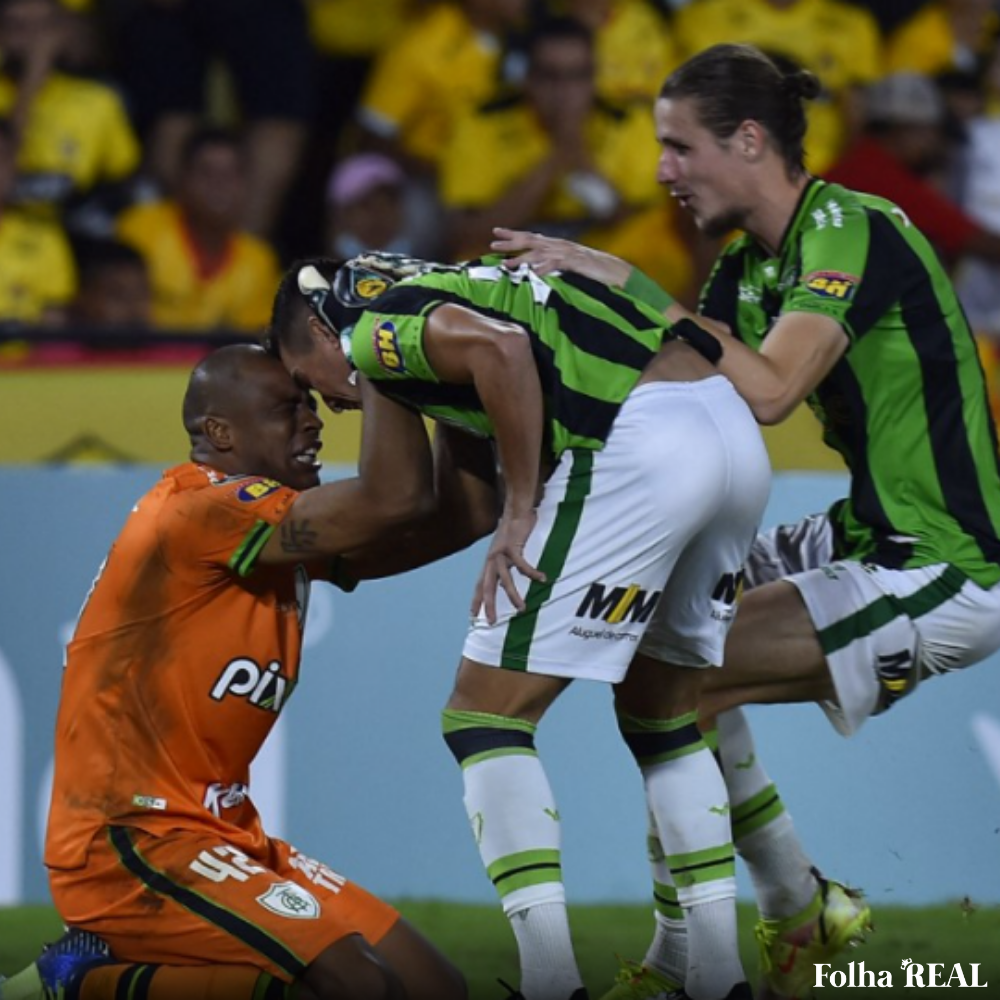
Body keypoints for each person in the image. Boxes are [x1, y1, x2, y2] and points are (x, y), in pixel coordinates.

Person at [490, 41, 1000, 1000]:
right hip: (863, 534)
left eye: (680, 147)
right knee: (656, 632)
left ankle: (718, 949)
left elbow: (768, 391)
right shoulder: (741, 270)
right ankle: (798, 910)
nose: (661, 171)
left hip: (948, 565)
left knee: (670, 682)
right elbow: (683, 389)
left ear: (751, 139)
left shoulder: (851, 228)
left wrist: (630, 281)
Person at [265, 250, 772, 1000]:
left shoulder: (375, 327)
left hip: (635, 442)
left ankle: (550, 980)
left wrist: (524, 509)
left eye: (308, 379)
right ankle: (718, 977)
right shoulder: (447, 305)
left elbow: (501, 355)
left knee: (483, 719)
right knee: (665, 716)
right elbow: (462, 509)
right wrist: (340, 568)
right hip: (729, 437)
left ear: (317, 325)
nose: (329, 405)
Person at [0, 344, 467, 1000]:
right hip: (130, 838)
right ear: (219, 433)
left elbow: (455, 516)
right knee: (355, 986)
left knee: (433, 987)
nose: (312, 422)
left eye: (309, 405)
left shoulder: (271, 532)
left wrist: (455, 395)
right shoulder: (198, 512)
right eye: (286, 410)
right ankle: (73, 987)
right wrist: (388, 353)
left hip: (221, 832)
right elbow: (392, 499)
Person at [116, 126, 281, 333]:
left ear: (247, 184)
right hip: (142, 362)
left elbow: (253, 339)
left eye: (230, 175)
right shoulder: (140, 229)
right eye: (206, 172)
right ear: (182, 178)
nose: (219, 185)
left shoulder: (259, 260)